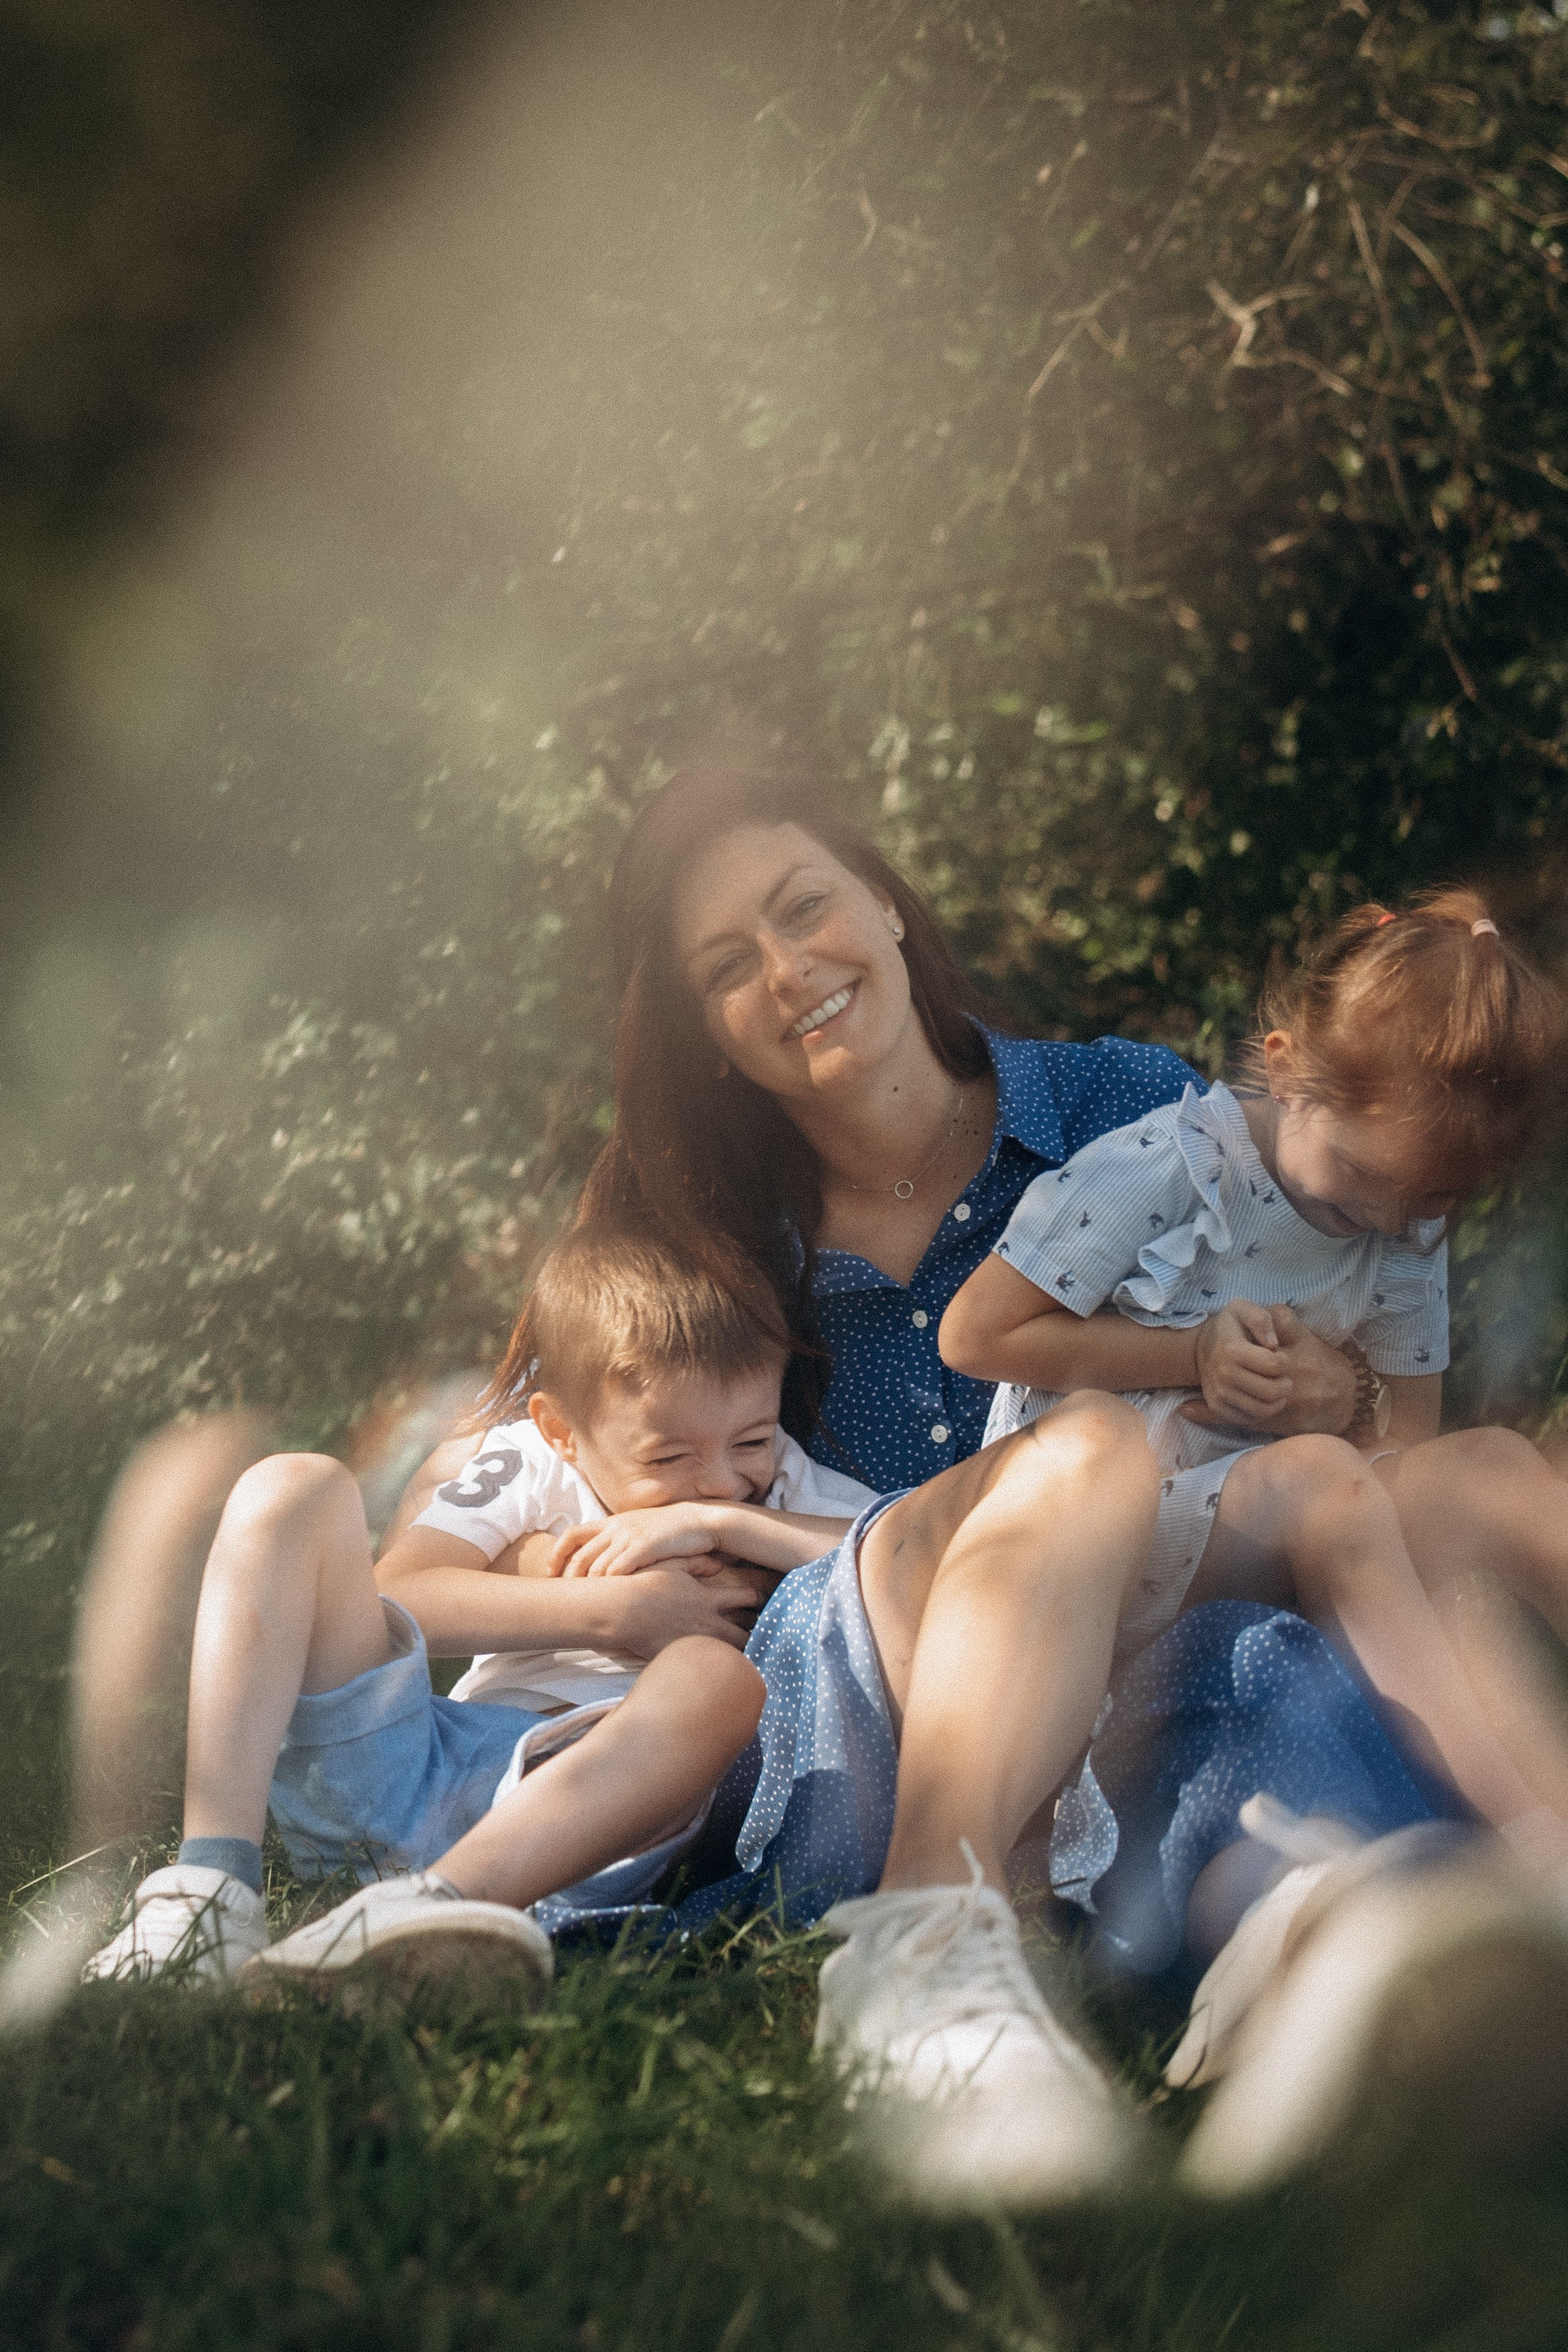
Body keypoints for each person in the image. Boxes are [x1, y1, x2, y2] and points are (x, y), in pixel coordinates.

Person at [941, 888, 1568, 1851]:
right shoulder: (1172, 1166)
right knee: (1323, 1481)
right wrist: (1191, 1354)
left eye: (1433, 1198)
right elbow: (974, 1335)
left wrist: (1345, 1407)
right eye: (1364, 1178)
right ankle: (1526, 1832)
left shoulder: (1403, 1223)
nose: (1389, 1220)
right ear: (1286, 1072)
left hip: (1278, 1514)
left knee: (1494, 1467)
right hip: (1099, 1538)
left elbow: (1406, 1443)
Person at [81, 1226, 867, 1992]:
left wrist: (724, 1524)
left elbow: (901, 1545)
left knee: (716, 1680)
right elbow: (403, 1593)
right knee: (289, 1485)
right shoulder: (528, 1462)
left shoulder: (775, 1485)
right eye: (668, 1455)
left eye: (750, 1441)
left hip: (578, 1824)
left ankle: (430, 1909)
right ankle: (211, 1885)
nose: (723, 1478)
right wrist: (618, 1611)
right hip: (417, 1769)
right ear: (562, 1430)